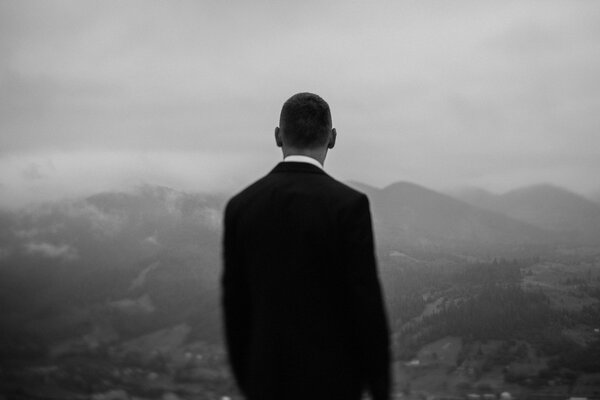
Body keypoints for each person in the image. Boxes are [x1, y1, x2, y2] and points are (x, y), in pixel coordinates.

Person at [222, 92, 390, 400]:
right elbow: (366, 305)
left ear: (277, 136)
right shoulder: (349, 206)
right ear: (333, 138)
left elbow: (235, 309)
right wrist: (380, 388)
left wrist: (250, 381)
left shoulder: (241, 206)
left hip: (265, 383)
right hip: (334, 384)